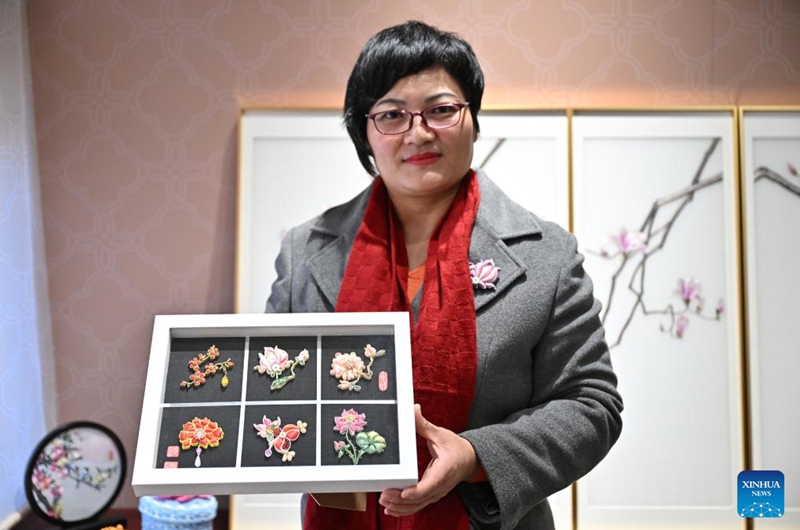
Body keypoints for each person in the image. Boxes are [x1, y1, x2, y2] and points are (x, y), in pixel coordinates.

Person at [266, 20, 623, 530]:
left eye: (441, 110)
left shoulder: (548, 256)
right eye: (391, 115)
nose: (418, 132)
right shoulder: (306, 252)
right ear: (364, 134)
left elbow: (593, 405)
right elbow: (276, 390)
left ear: (473, 120)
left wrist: (476, 456)